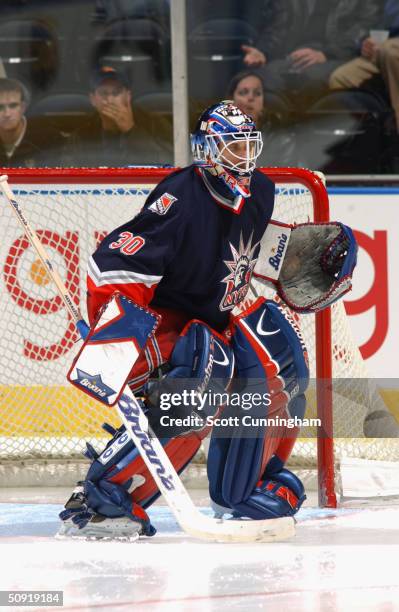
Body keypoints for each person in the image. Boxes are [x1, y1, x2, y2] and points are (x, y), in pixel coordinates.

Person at [58, 100, 357, 539]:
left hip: (216, 316)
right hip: (167, 325)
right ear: (209, 151)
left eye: (248, 147)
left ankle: (243, 487)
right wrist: (118, 345)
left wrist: (296, 263)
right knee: (203, 370)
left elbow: (251, 253)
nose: (245, 159)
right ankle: (106, 498)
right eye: (234, 148)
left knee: (280, 357)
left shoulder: (262, 192)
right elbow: (112, 268)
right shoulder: (178, 199)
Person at [241, 0, 380, 108]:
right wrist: (263, 52)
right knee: (256, 80)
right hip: (292, 55)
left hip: (340, 55)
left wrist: (326, 53)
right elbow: (278, 27)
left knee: (310, 80)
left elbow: (364, 29)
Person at [72, 66, 171, 166]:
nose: (110, 100)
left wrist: (131, 129)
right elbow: (69, 169)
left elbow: (170, 162)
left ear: (128, 96)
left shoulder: (154, 123)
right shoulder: (82, 134)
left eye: (116, 93)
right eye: (103, 93)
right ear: (93, 99)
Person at [329, 0, 399, 132]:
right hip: (385, 45)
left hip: (391, 48)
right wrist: (365, 43)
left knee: (389, 51)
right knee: (341, 77)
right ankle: (370, 134)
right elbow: (383, 25)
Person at [227, 70, 295, 166]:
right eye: (243, 93)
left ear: (263, 103)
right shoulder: (215, 135)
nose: (250, 98)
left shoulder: (281, 140)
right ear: (231, 101)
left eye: (257, 93)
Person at [0, 77, 65, 167]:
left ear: (23, 108)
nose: (7, 114)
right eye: (0, 107)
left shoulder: (48, 137)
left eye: (13, 106)